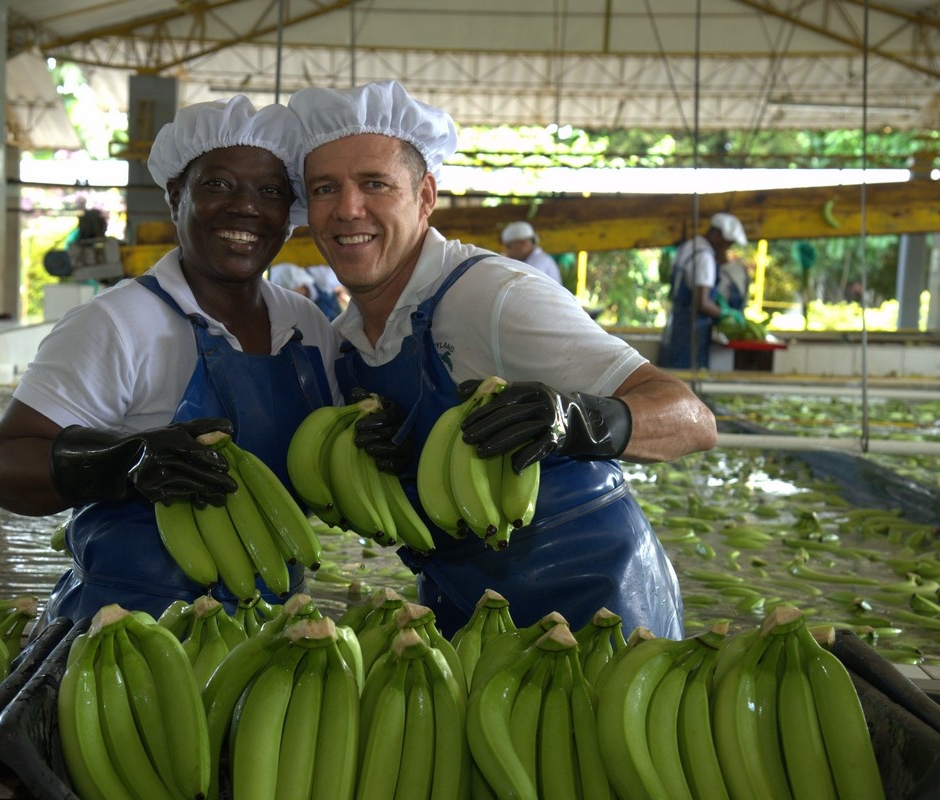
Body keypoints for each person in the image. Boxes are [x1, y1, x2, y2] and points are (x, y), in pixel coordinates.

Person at [287, 80, 717, 639]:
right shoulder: (345, 347)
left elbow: (692, 419)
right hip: (463, 609)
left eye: (375, 184)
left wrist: (575, 420)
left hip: (602, 605)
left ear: (424, 198)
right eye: (325, 188)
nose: (348, 209)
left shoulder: (492, 295)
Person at [0, 96, 342, 623]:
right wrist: (122, 460)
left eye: (270, 192)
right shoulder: (117, 323)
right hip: (125, 635)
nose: (246, 207)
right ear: (176, 196)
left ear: (290, 217)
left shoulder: (307, 326)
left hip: (273, 633)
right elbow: (0, 468)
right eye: (217, 184)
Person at [657, 212, 748, 369]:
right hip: (691, 335)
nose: (728, 248)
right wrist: (726, 313)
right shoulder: (705, 257)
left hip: (674, 328)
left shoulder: (689, 247)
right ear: (719, 235)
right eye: (728, 243)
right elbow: (703, 303)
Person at [500, 220, 562, 284]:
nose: (507, 252)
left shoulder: (538, 262)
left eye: (509, 247)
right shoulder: (536, 259)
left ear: (523, 243)